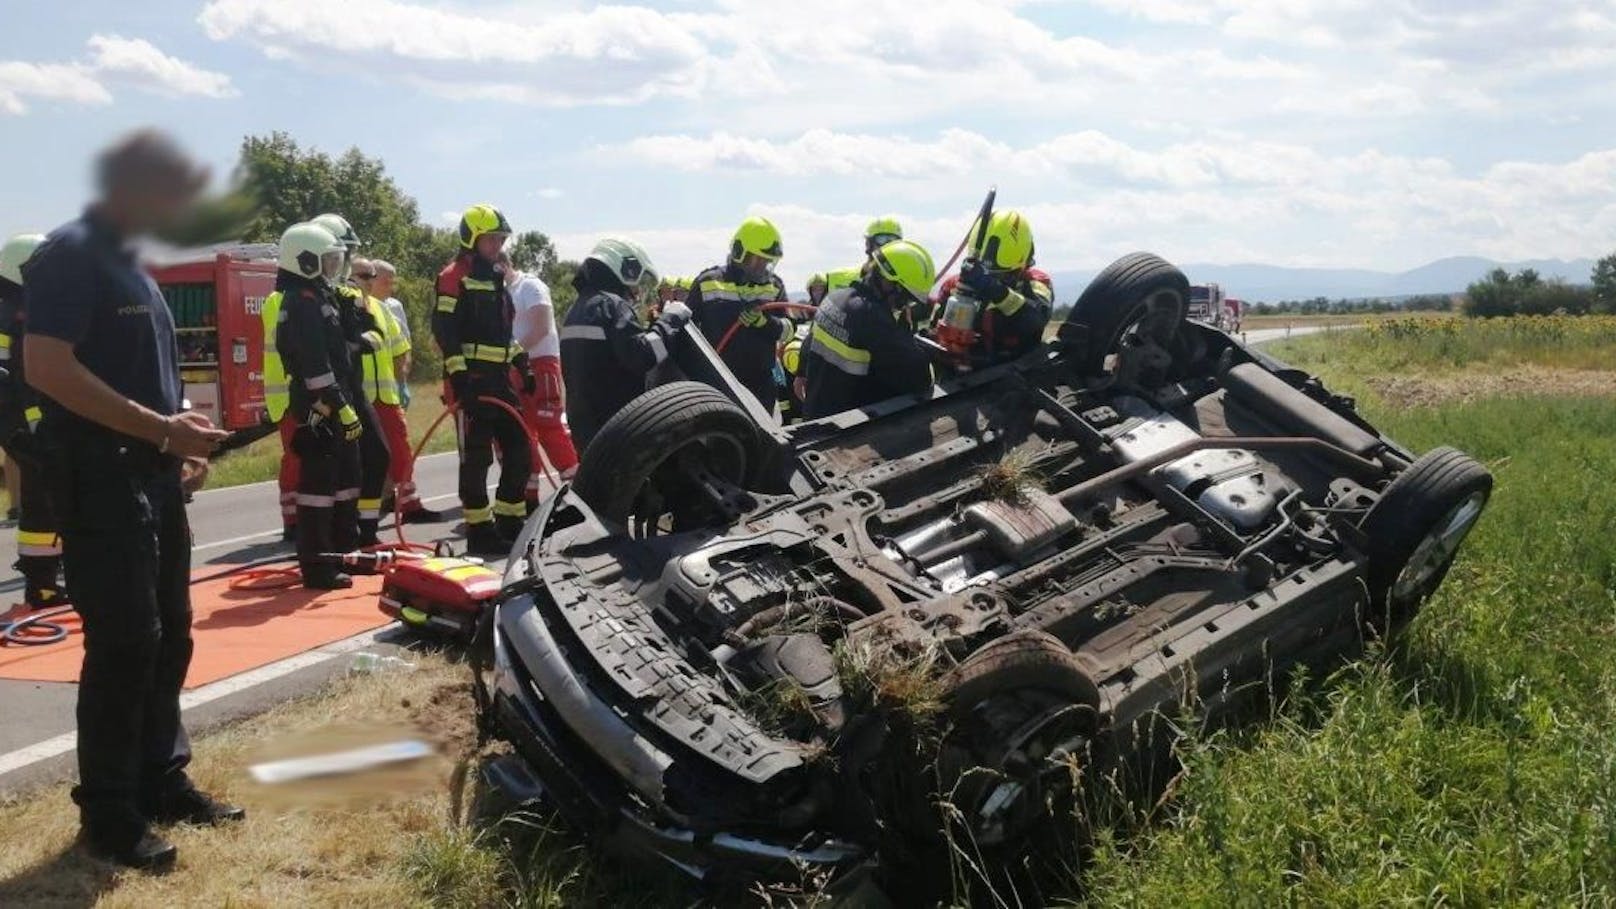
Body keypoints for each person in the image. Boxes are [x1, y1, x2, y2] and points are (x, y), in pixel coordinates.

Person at [23, 129, 240, 871]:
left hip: (151, 479)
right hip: (99, 479)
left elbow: (150, 380)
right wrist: (159, 431)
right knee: (123, 643)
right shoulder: (70, 253)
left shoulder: (134, 269)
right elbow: (46, 365)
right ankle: (111, 813)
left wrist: (182, 443)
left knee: (169, 632)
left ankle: (161, 777)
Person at [433, 204, 533, 555]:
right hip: (471, 381)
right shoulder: (453, 276)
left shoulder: (494, 276)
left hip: (500, 382)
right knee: (476, 458)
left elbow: (501, 330)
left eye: (500, 239)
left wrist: (522, 360)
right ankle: (479, 530)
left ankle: (510, 519)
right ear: (472, 238)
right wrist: (460, 378)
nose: (497, 245)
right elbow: (445, 331)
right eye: (491, 239)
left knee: (520, 450)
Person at [274, 222, 365, 589]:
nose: (332, 268)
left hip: (334, 400)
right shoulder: (301, 303)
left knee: (346, 481)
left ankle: (345, 553)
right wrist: (340, 406)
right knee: (318, 489)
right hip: (319, 406)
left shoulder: (318, 296)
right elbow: (315, 366)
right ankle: (318, 566)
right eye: (326, 261)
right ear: (305, 261)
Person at [560, 238, 689, 451]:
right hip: (617, 426)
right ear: (624, 269)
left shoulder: (578, 308)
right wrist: (670, 320)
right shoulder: (613, 305)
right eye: (635, 280)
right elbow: (641, 356)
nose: (637, 289)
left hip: (584, 427)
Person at [312, 215, 392, 546]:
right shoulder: (306, 296)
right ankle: (331, 538)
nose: (340, 262)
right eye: (336, 255)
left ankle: (366, 530)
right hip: (321, 394)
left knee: (378, 455)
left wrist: (355, 345)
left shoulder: (348, 295)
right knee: (334, 469)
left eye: (343, 255)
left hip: (352, 389)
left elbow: (375, 331)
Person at [0, 232, 67, 609]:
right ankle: (42, 586)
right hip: (25, 422)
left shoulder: (5, 309)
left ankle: (42, 580)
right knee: (45, 501)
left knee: (38, 499)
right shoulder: (24, 313)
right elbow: (28, 378)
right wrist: (39, 425)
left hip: (11, 421)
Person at [801, 239, 938, 419]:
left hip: (815, 417)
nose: (905, 306)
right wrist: (905, 332)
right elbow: (920, 378)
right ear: (891, 285)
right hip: (847, 435)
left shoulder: (835, 298)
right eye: (906, 299)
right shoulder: (872, 318)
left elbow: (808, 345)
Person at [351, 258, 439, 524]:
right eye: (363, 276)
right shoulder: (340, 308)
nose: (368, 281)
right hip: (358, 397)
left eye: (370, 277)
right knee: (362, 456)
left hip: (386, 395)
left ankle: (408, 504)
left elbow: (401, 348)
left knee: (400, 449)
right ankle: (361, 512)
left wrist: (401, 382)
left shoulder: (382, 309)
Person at [687, 217, 791, 413]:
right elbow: (686, 332)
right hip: (717, 382)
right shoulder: (708, 282)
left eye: (767, 261)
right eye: (758, 259)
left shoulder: (774, 286)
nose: (763, 266)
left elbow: (788, 330)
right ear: (739, 253)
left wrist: (765, 323)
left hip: (760, 385)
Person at [501, 250, 579, 504]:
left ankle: (579, 490)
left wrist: (514, 352)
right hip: (516, 366)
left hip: (540, 365)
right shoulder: (503, 293)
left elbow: (542, 326)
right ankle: (528, 495)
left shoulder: (530, 287)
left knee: (549, 427)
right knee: (521, 432)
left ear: (503, 265)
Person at [933, 209, 1053, 363]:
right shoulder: (954, 286)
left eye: (1005, 274)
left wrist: (993, 288)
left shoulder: (1037, 282)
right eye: (989, 274)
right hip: (958, 376)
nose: (998, 279)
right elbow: (934, 330)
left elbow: (1036, 319)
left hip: (1017, 374)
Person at [824, 216, 904, 294]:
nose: (887, 246)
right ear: (868, 244)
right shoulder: (837, 279)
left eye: (893, 241)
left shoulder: (906, 284)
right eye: (882, 239)